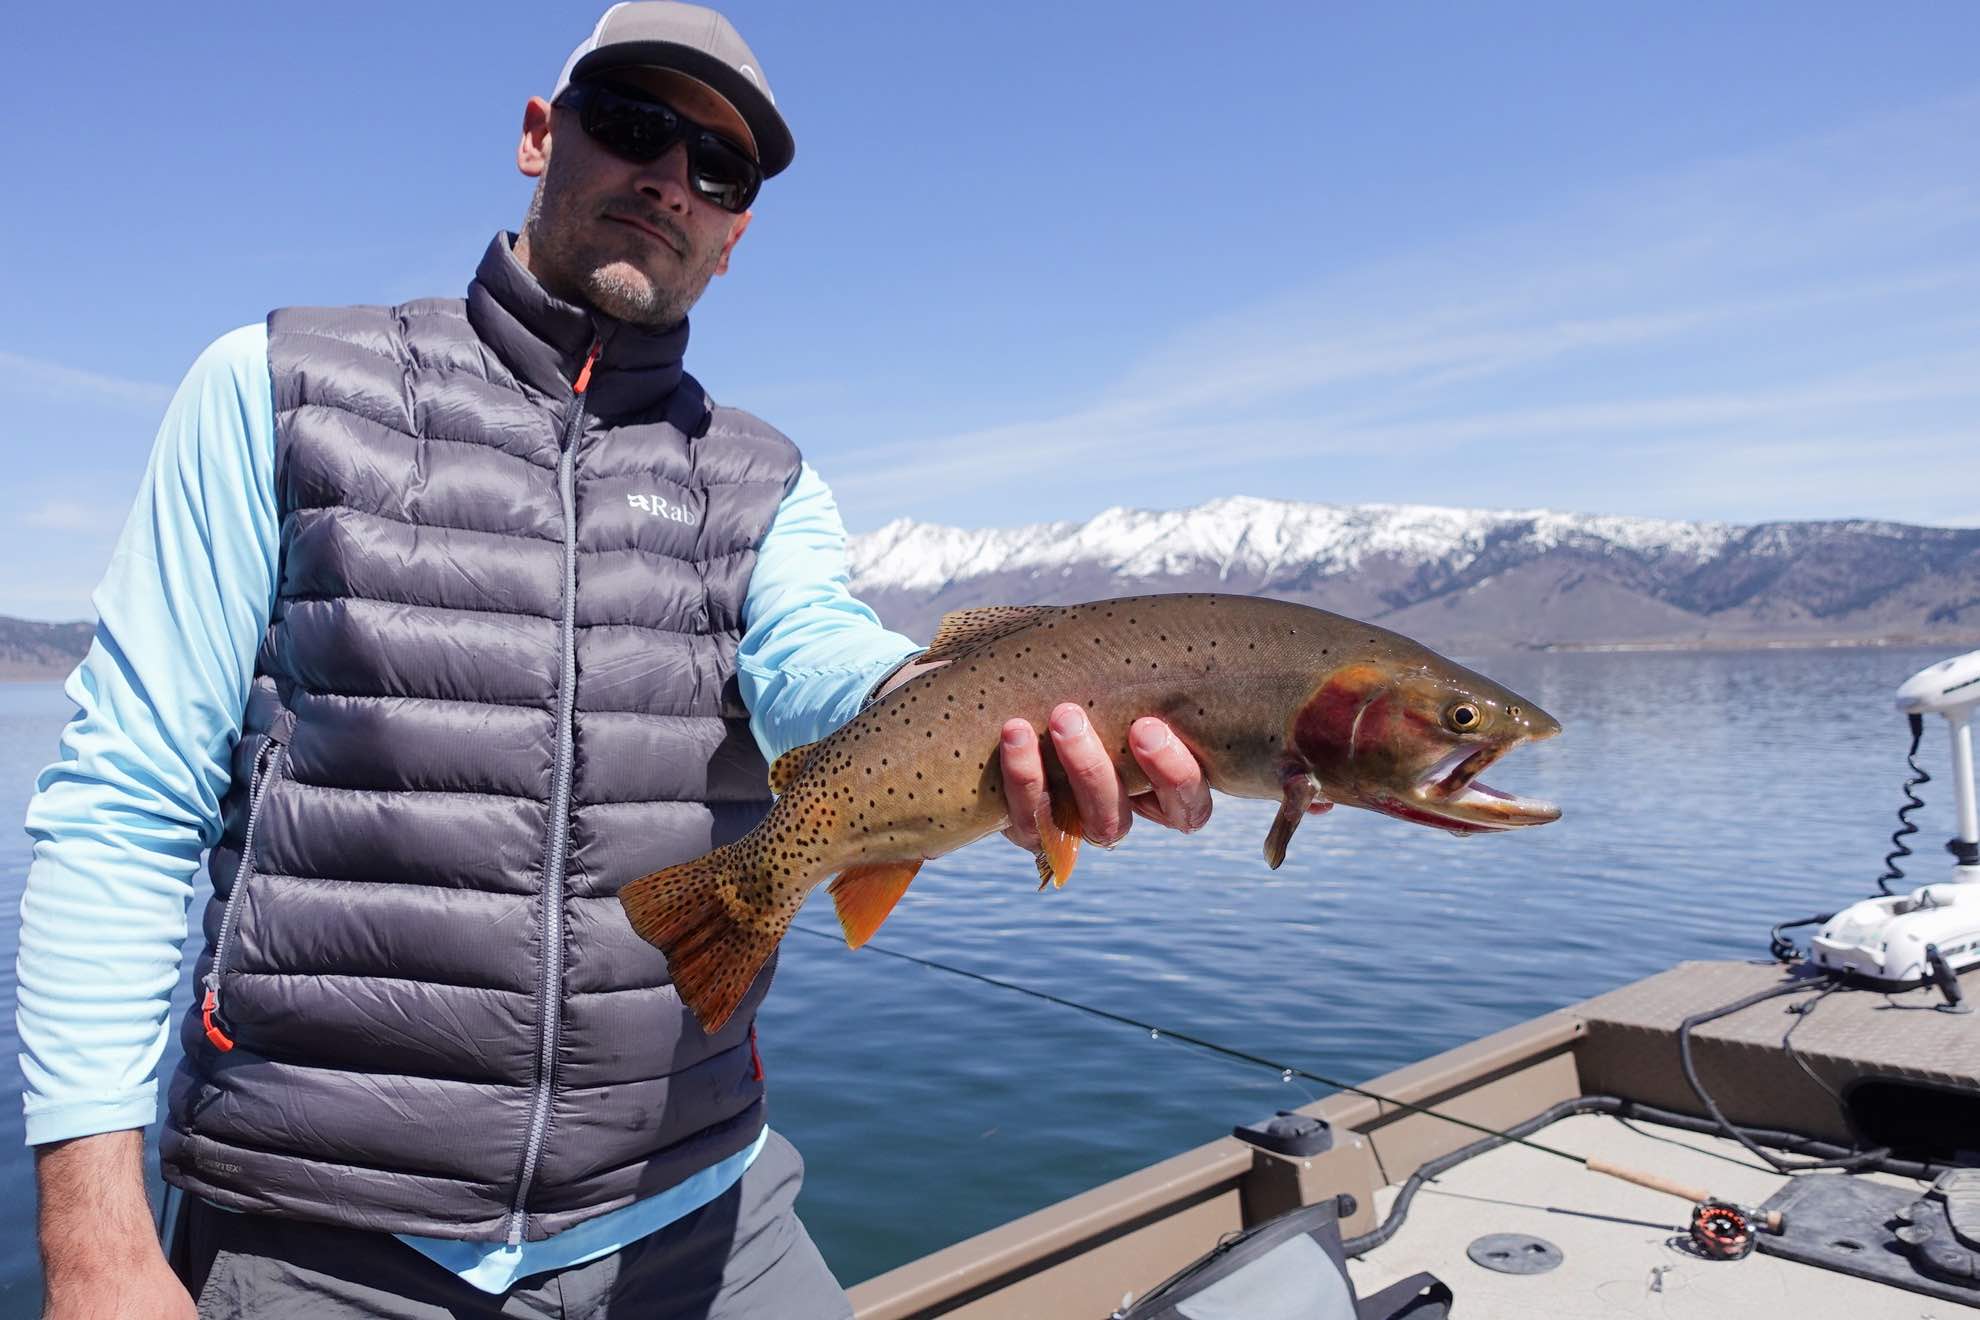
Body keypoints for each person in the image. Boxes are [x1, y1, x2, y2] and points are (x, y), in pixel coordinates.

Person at [19, 5, 1214, 1317]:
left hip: (704, 1215)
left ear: (737, 231)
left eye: (722, 168)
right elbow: (124, 812)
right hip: (325, 1239)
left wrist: (1006, 725)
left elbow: (822, 664)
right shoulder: (273, 388)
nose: (672, 179)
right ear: (542, 136)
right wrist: (96, 1242)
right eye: (637, 125)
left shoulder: (770, 482)